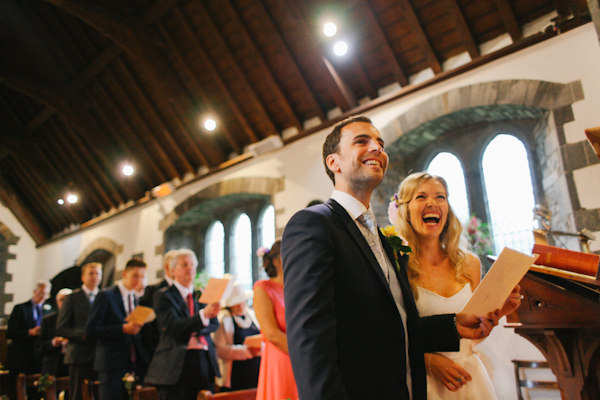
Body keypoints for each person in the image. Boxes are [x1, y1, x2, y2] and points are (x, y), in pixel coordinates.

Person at [281, 115, 512, 400]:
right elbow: (310, 336)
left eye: (380, 142)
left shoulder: (382, 239)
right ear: (334, 162)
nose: (377, 148)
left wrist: (453, 325)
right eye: (361, 141)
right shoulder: (314, 224)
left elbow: (393, 326)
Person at [391, 172, 521, 399]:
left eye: (440, 197)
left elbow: (473, 337)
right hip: (423, 383)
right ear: (405, 211)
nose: (432, 203)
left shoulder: (469, 263)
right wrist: (429, 361)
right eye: (421, 197)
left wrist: (500, 312)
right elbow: (390, 334)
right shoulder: (396, 265)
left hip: (468, 377)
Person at [144, 249, 221, 400]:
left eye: (192, 264)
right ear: (173, 271)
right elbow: (173, 328)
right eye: (184, 264)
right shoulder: (163, 296)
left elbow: (214, 324)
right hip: (177, 364)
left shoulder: (201, 295)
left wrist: (194, 328)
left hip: (204, 360)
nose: (190, 268)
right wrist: (202, 316)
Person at [86, 258, 150, 400]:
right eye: (135, 275)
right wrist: (122, 329)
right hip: (111, 363)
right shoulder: (106, 296)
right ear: (125, 274)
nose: (138, 280)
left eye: (142, 276)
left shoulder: (136, 298)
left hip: (133, 361)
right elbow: (91, 330)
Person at [254, 241, 298, 400]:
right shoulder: (263, 288)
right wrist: (302, 354)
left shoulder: (297, 288)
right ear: (275, 261)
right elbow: (271, 333)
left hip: (302, 353)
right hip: (282, 357)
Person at [56, 262, 103, 400]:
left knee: (98, 394)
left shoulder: (104, 296)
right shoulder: (72, 298)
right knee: (78, 394)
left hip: (100, 354)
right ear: (83, 277)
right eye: (91, 273)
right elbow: (61, 328)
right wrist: (83, 334)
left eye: (98, 273)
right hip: (79, 355)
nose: (95, 276)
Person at [6, 280, 51, 398]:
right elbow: (10, 332)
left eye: (46, 294)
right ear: (35, 291)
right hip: (20, 356)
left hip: (37, 356)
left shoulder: (48, 311)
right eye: (41, 293)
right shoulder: (21, 308)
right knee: (17, 390)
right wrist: (29, 332)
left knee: (34, 390)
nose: (43, 297)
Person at [213, 280, 261, 391]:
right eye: (236, 302)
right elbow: (220, 349)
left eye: (242, 301)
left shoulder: (252, 315)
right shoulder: (223, 319)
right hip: (236, 376)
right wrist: (245, 351)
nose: (240, 305)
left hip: (257, 373)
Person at [139, 249, 178, 356]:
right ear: (166, 267)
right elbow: (146, 325)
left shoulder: (188, 292)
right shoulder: (153, 291)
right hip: (159, 348)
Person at [39, 288, 72, 377]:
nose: (65, 302)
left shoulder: (78, 320)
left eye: (67, 299)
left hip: (72, 362)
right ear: (57, 302)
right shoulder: (48, 320)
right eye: (62, 300)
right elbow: (39, 345)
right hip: (53, 363)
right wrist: (53, 342)